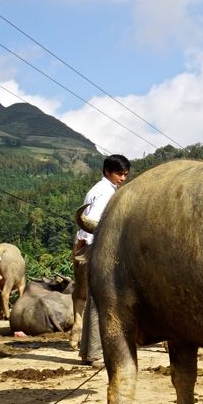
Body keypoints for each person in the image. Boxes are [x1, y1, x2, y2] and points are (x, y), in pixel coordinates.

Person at [75, 153, 131, 367]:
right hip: (100, 248)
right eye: (119, 173)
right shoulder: (105, 193)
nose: (123, 178)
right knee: (102, 300)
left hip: (93, 247)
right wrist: (85, 247)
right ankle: (97, 353)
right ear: (107, 172)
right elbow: (92, 225)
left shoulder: (102, 190)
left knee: (94, 299)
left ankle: (88, 352)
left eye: (125, 174)